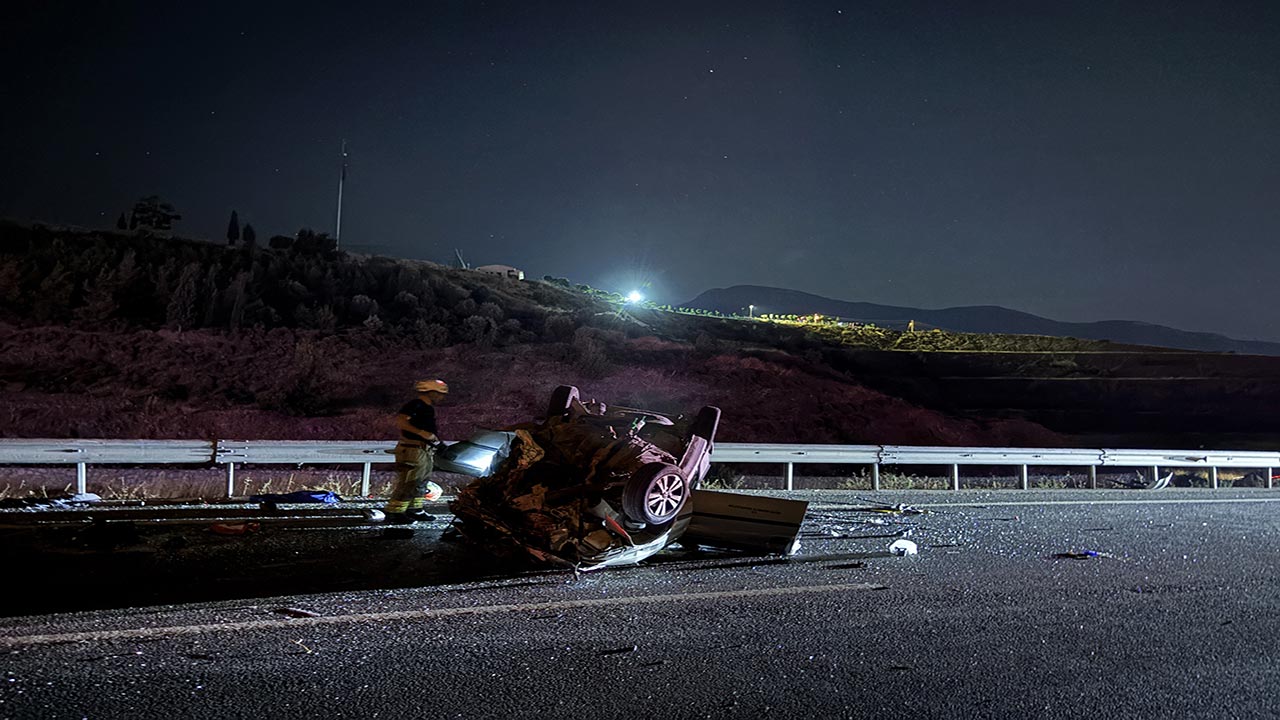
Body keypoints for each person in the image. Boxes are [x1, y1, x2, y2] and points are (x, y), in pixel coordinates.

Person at [384, 379, 448, 524]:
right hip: (412, 449)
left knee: (421, 482)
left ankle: (415, 510)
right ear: (430, 392)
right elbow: (401, 421)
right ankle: (395, 512)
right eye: (439, 393)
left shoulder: (428, 408)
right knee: (409, 481)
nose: (441, 397)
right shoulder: (415, 405)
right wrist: (421, 433)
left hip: (424, 449)